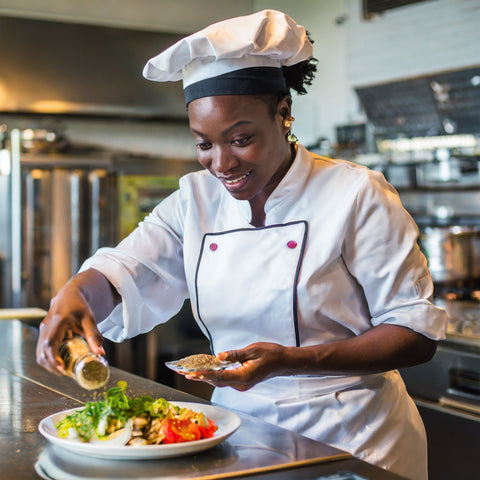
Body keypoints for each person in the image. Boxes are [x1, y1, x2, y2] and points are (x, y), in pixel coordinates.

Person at [36, 9, 447, 479]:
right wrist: (74, 295)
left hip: (353, 440)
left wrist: (292, 361)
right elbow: (123, 269)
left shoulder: (355, 193)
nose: (221, 163)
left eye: (241, 139)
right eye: (204, 144)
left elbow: (414, 333)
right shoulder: (195, 200)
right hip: (241, 436)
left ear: (284, 114)